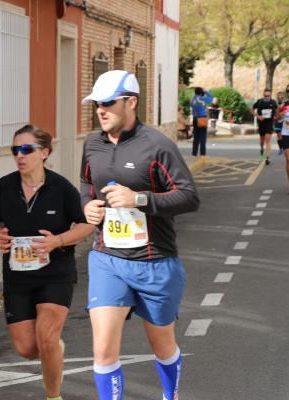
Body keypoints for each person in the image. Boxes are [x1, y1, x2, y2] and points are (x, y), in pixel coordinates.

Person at [80, 70, 200, 400]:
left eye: (107, 103)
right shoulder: (93, 144)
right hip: (108, 258)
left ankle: (169, 394)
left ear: (130, 102)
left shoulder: (157, 146)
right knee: (103, 349)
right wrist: (87, 207)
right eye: (96, 104)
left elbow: (189, 197)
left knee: (161, 343)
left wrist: (140, 199)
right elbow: (85, 186)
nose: (100, 110)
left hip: (154, 261)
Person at [0, 125, 94, 400]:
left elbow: (86, 225)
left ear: (44, 152)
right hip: (17, 278)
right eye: (15, 150)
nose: (19, 155)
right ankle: (52, 348)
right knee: (28, 349)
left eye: (26, 149)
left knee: (46, 338)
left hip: (55, 273)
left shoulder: (61, 188)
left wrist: (57, 241)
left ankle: (53, 396)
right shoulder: (4, 186)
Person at [251, 88, 278, 165]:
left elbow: (277, 112)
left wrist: (276, 117)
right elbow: (252, 109)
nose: (267, 97)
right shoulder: (259, 102)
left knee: (268, 140)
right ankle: (261, 150)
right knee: (262, 141)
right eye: (265, 96)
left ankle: (268, 158)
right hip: (261, 124)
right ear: (263, 95)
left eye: (268, 96)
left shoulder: (273, 103)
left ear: (270, 95)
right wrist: (257, 116)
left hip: (269, 124)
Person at [190, 87, 214, 157]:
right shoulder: (202, 99)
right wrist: (206, 91)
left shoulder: (192, 99)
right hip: (202, 119)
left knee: (196, 138)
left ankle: (194, 154)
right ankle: (202, 154)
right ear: (201, 92)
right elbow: (211, 97)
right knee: (202, 138)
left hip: (195, 119)